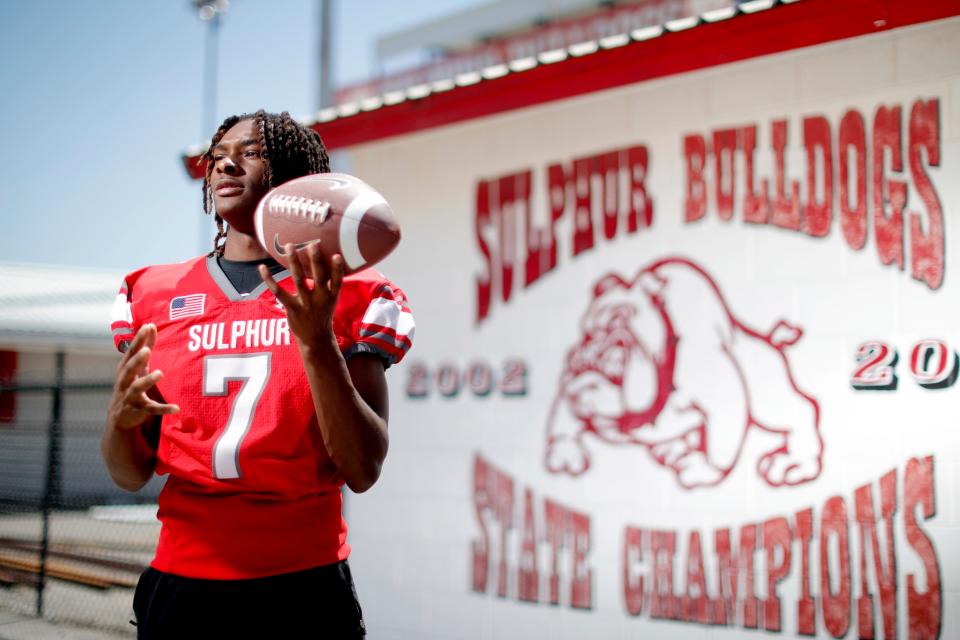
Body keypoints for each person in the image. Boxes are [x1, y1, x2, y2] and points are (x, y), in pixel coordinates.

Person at [103, 110, 413, 638]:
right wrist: (118, 422)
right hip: (183, 585)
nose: (226, 162)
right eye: (219, 153)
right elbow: (130, 474)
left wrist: (317, 344)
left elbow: (363, 469)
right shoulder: (156, 292)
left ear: (294, 176)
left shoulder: (352, 292)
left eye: (250, 152)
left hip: (301, 587)